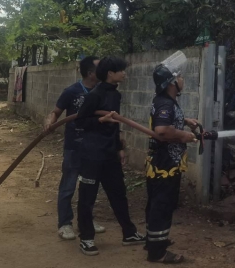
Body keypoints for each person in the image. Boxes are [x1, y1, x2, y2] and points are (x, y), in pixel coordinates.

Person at [74, 56, 145, 256]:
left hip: (109, 154)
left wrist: (119, 147)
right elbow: (80, 122)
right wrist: (100, 121)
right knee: (87, 197)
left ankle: (129, 233)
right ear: (110, 73)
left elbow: (115, 124)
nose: (124, 73)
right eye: (121, 70)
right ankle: (86, 238)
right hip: (92, 154)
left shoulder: (116, 95)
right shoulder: (94, 95)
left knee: (118, 194)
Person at [43, 56, 106, 241]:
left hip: (94, 148)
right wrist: (49, 122)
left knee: (90, 187)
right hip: (74, 147)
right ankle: (65, 223)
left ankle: (86, 221)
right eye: (99, 67)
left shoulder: (103, 91)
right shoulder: (71, 91)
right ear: (90, 73)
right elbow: (56, 112)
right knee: (68, 186)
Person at [143, 51, 198, 264]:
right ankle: (157, 253)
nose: (182, 79)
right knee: (162, 205)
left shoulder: (166, 101)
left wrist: (185, 121)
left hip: (162, 162)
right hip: (165, 164)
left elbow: (167, 122)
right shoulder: (166, 104)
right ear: (172, 82)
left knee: (157, 204)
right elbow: (163, 130)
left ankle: (153, 241)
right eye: (180, 76)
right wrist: (184, 135)